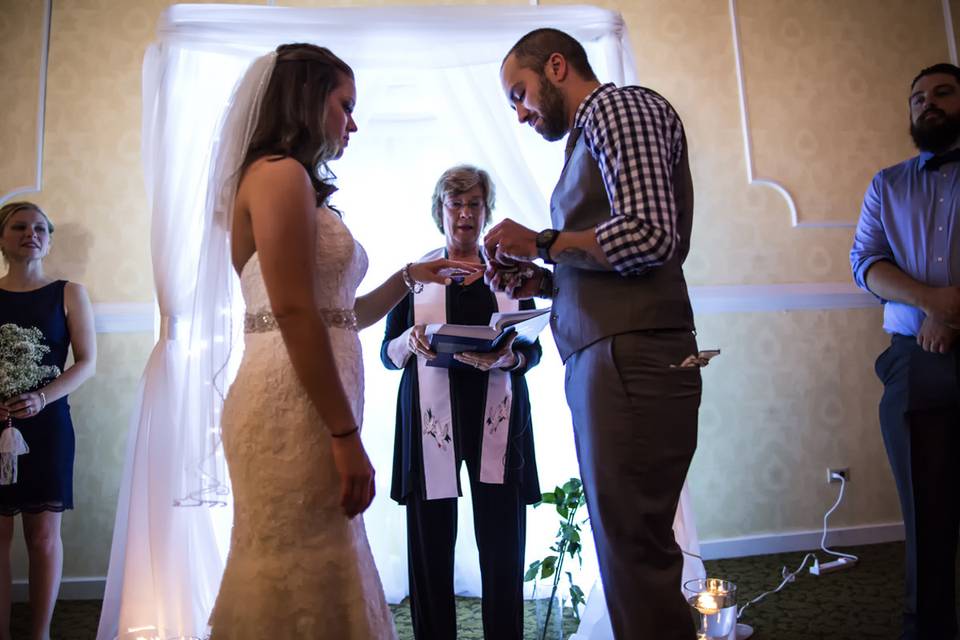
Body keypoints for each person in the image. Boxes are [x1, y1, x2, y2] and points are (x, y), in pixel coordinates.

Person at [206, 44, 479, 639]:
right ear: (306, 100)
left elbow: (340, 315)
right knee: (297, 563)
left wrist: (409, 277)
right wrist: (344, 434)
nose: (353, 123)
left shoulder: (287, 180)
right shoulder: (279, 175)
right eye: (344, 105)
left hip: (305, 388)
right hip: (293, 407)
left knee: (320, 557)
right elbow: (295, 310)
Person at [485, 29, 702, 639]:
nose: (522, 113)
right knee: (627, 546)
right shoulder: (590, 133)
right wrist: (544, 276)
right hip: (610, 355)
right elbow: (611, 256)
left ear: (557, 66)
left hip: (630, 357)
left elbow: (649, 236)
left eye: (520, 94)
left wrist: (545, 241)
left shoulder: (618, 107)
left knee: (634, 550)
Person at [380, 165, 541, 640]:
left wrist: (511, 356)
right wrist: (410, 340)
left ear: (486, 212)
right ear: (441, 212)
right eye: (456, 204)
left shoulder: (509, 274)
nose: (465, 214)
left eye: (474, 204)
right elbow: (389, 355)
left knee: (502, 545)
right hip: (432, 417)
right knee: (430, 545)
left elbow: (532, 343)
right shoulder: (417, 276)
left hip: (498, 410)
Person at [850, 62, 960, 640]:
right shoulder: (887, 184)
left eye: (943, 92)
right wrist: (934, 304)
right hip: (915, 360)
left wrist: (952, 310)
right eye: (918, 97)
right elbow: (865, 263)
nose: (928, 104)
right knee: (926, 511)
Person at [0, 201, 96, 640]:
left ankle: (39, 635)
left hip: (49, 425)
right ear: (2, 238)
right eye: (19, 226)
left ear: (49, 239)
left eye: (40, 228)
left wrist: (42, 398)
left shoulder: (69, 292)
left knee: (42, 537)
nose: (30, 233)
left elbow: (87, 363)